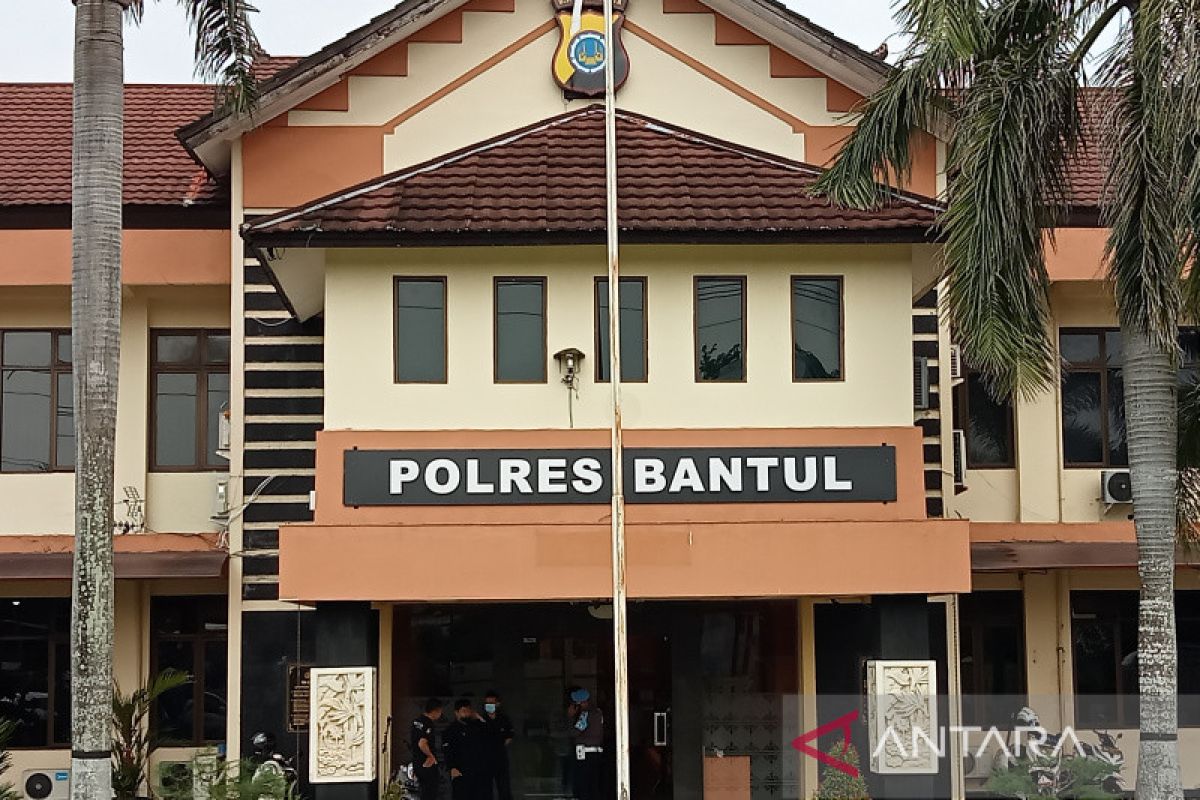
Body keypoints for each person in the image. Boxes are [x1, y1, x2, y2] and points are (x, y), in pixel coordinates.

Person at [444, 698, 488, 800]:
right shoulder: (450, 730)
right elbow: (447, 751)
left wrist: (480, 719)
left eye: (468, 711)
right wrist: (452, 767)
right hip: (460, 771)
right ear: (456, 713)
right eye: (464, 711)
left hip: (477, 771)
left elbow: (489, 734)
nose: (467, 713)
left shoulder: (477, 727)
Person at [567, 688, 604, 800]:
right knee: (593, 784)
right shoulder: (598, 712)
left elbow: (574, 732)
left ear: (581, 703)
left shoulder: (585, 714)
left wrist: (570, 717)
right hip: (596, 752)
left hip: (585, 753)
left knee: (583, 784)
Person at [481, 690, 515, 800]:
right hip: (485, 760)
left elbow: (509, 736)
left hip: (501, 759)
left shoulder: (504, 719)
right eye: (487, 703)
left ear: (498, 704)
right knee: (486, 788)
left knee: (504, 787)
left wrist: (498, 745)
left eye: (491, 703)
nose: (489, 705)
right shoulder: (481, 720)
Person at [411, 698, 444, 800]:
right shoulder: (427, 723)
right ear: (435, 711)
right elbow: (422, 743)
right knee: (430, 793)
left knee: (422, 792)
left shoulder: (416, 721)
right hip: (426, 764)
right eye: (440, 712)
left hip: (417, 763)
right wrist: (430, 756)